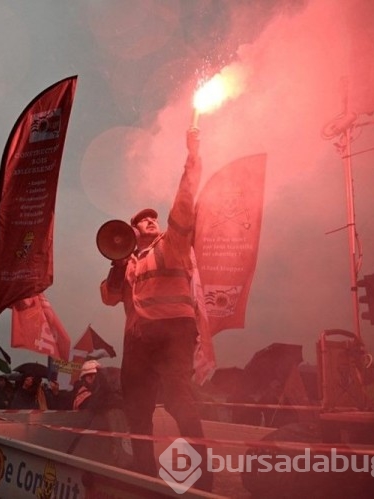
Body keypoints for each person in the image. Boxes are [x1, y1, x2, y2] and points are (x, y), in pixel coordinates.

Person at [100, 127, 212, 490]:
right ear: (131, 232)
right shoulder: (129, 262)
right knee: (138, 408)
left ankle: (203, 478)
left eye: (153, 218)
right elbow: (108, 297)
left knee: (180, 401)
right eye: (142, 219)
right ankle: (144, 475)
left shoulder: (174, 243)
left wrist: (192, 155)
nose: (151, 220)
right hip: (139, 340)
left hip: (174, 333)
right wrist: (117, 262)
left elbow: (184, 200)